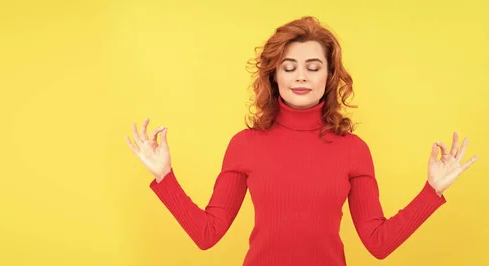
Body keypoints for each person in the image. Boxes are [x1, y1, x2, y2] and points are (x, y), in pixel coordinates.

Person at [124, 16, 479, 266]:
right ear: (274, 75)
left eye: (313, 66)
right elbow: (207, 234)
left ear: (329, 76)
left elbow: (379, 243)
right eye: (289, 66)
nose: (301, 76)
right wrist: (164, 177)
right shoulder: (245, 144)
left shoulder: (353, 150)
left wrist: (432, 191)